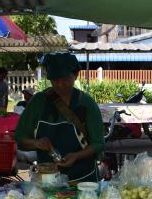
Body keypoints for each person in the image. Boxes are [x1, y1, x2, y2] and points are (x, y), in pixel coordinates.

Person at [15, 52, 104, 182]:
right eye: (55, 80)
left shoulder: (86, 104)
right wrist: (36, 143)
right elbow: (20, 137)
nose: (60, 85)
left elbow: (98, 144)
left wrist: (76, 156)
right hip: (48, 180)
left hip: (84, 180)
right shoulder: (38, 102)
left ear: (76, 75)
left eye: (65, 79)